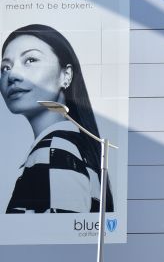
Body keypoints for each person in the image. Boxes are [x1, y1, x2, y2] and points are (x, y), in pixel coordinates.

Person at [1, 24, 114, 214]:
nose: (12, 75)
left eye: (30, 59)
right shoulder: (73, 147)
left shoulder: (56, 148)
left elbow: (60, 237)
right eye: (5, 67)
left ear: (66, 75)